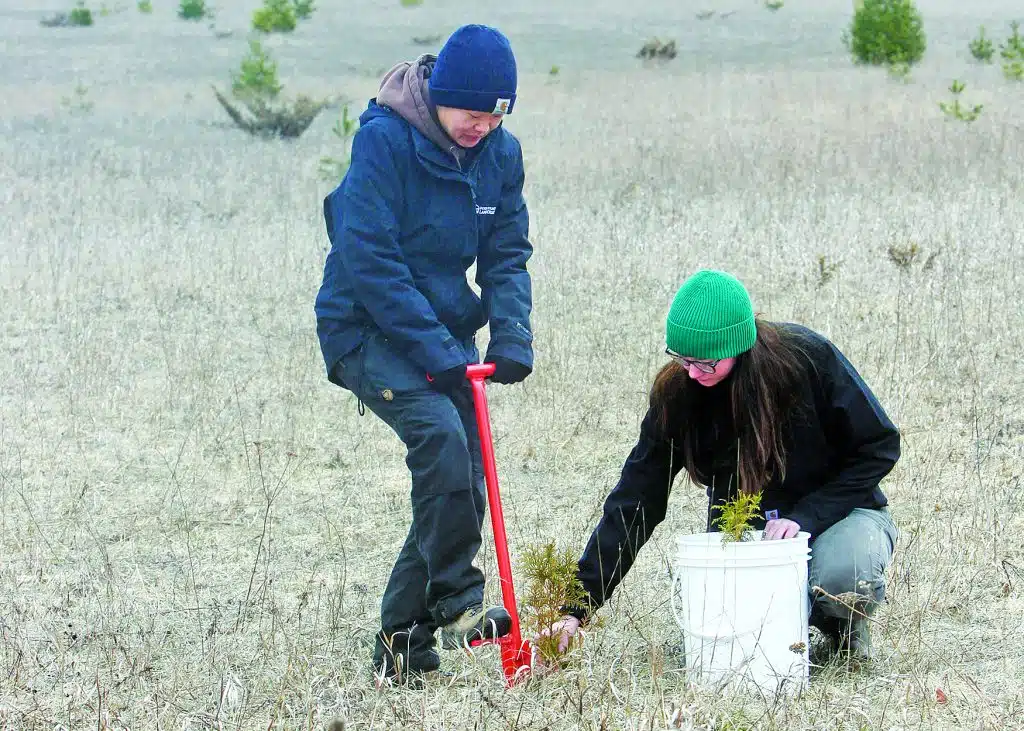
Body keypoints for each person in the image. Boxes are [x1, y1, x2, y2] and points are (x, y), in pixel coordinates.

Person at [314, 24, 534, 684]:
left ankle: (400, 643)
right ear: (442, 98)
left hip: (440, 333)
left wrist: (513, 333)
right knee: (441, 440)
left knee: (460, 483)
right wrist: (438, 350)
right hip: (364, 327)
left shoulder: (501, 154)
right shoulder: (384, 141)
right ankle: (460, 602)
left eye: (495, 118)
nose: (482, 129)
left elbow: (506, 253)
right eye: (473, 114)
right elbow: (371, 261)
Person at [550, 269, 900, 662]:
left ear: (738, 345)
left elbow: (880, 445)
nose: (693, 373)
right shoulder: (679, 395)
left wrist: (808, 516)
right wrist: (576, 609)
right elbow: (636, 499)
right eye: (682, 359)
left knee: (843, 578)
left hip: (840, 513)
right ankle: (787, 620)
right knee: (724, 617)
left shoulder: (808, 359)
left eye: (705, 362)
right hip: (748, 526)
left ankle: (842, 627)